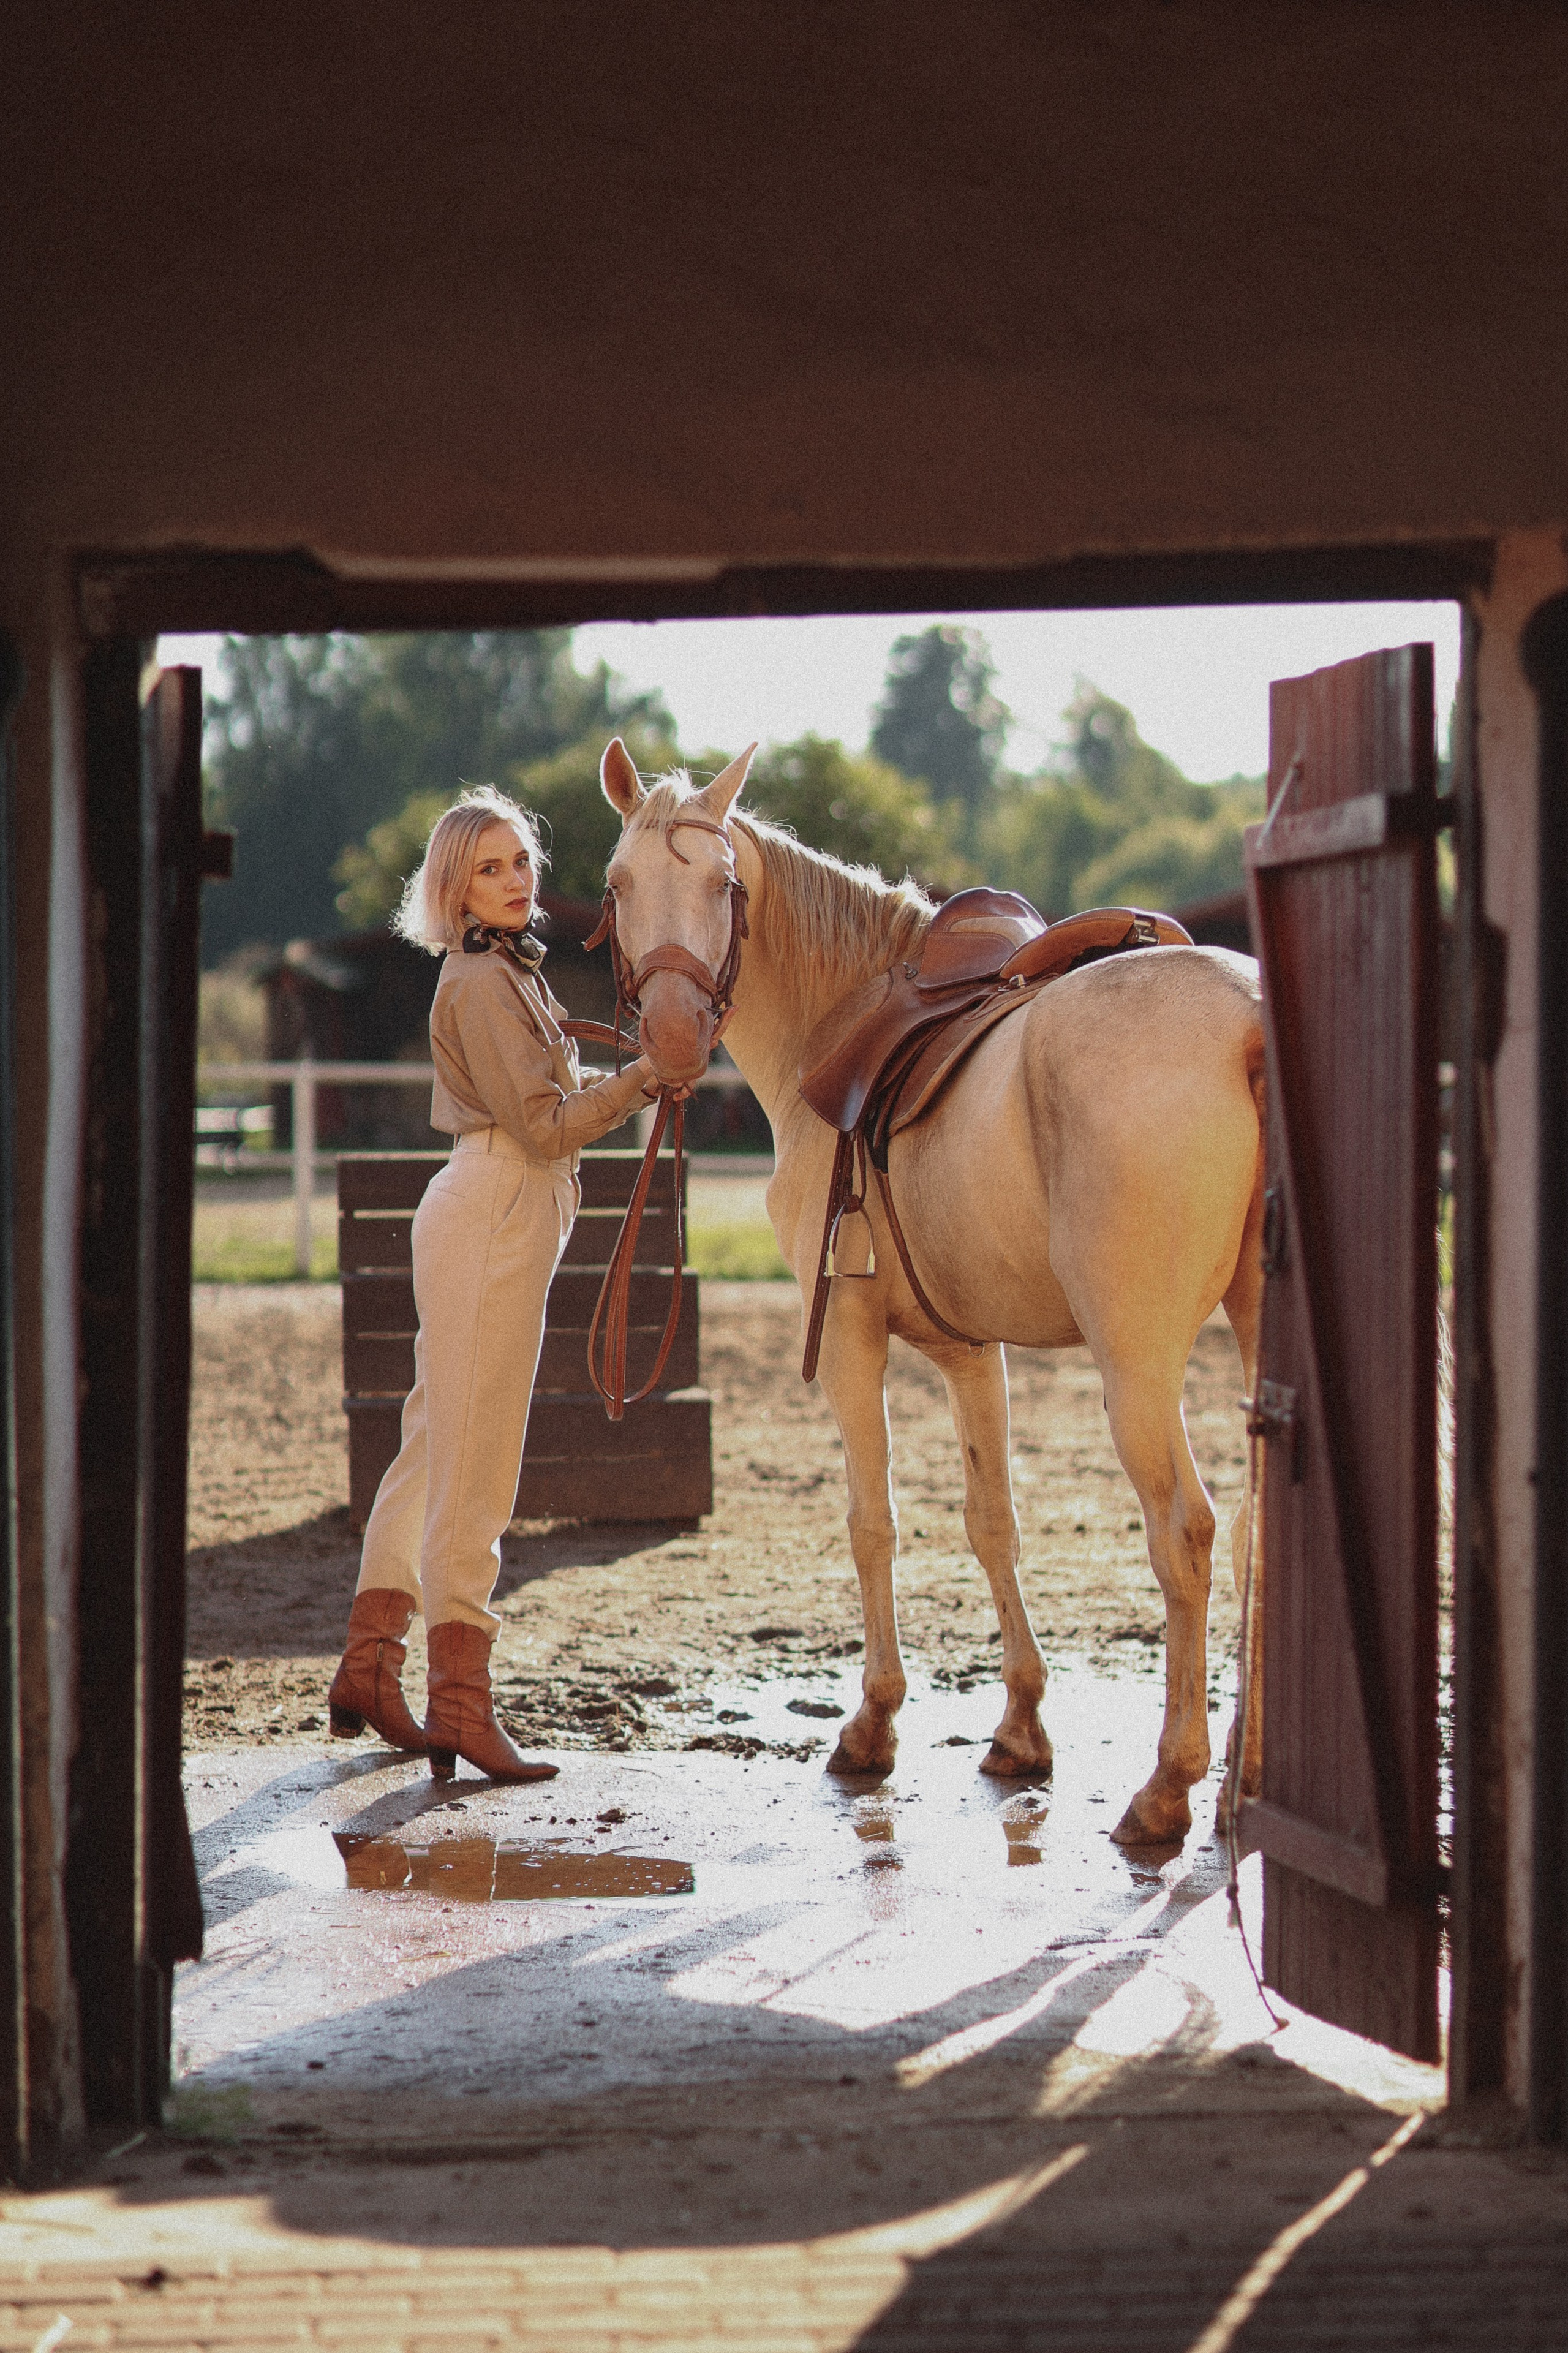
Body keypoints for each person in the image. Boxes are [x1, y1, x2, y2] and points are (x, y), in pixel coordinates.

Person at [326, 786, 656, 1781]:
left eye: (522, 862)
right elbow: (546, 1126)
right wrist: (647, 1078)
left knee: (435, 1444)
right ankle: (460, 1703)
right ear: (454, 887)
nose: (517, 881)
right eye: (492, 868)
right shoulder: (479, 979)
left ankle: (369, 1665)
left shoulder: (501, 973)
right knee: (477, 1460)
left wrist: (621, 1061)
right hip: (500, 1202)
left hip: (496, 1205)